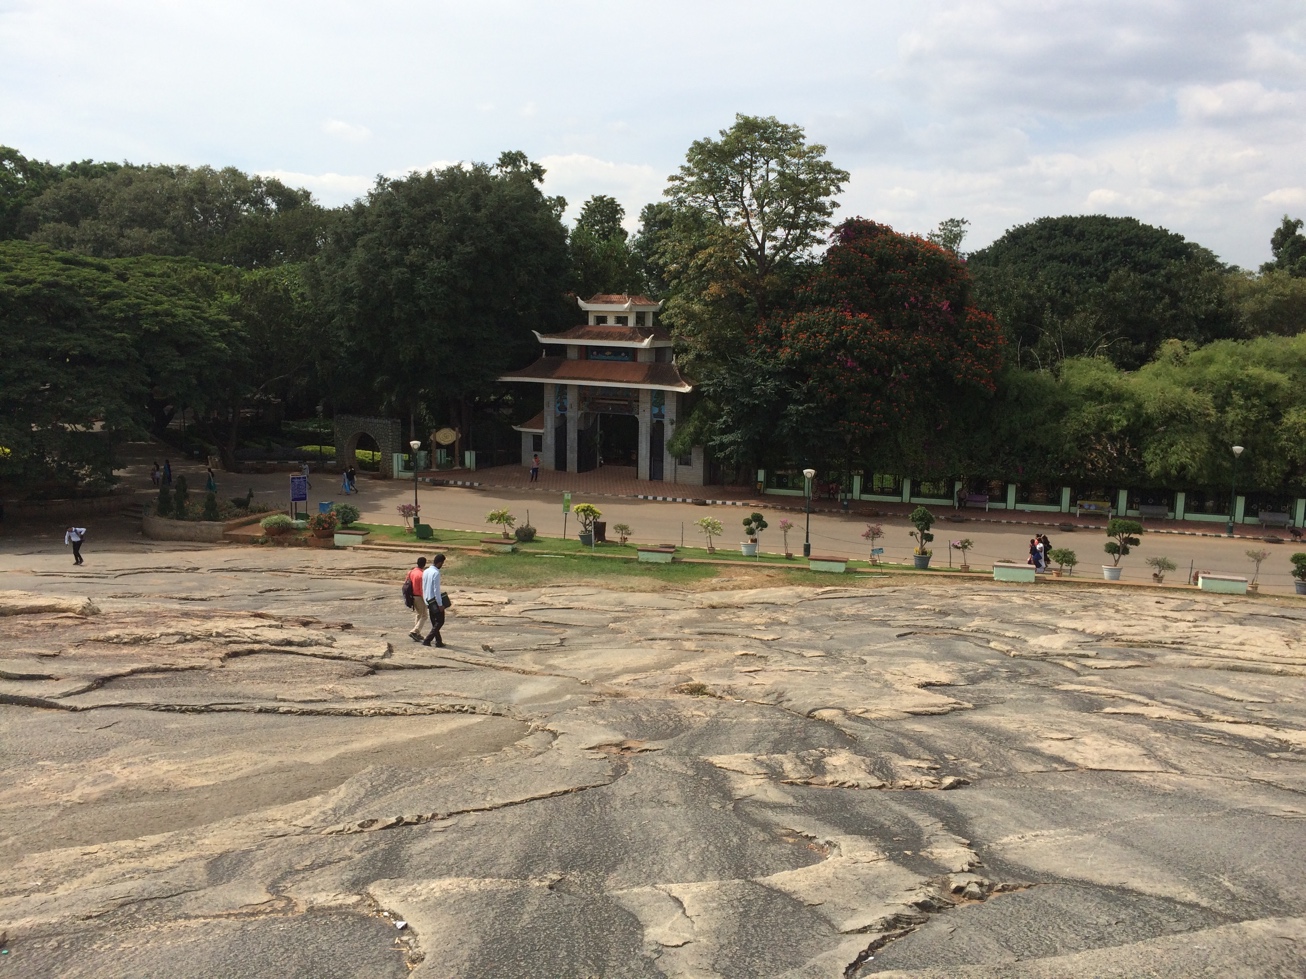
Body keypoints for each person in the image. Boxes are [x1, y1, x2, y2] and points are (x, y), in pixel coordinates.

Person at [421, 553, 447, 647]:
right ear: (440, 563)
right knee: (440, 621)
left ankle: (438, 641)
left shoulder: (426, 571)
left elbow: (423, 587)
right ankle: (428, 639)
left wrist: (425, 600)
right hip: (435, 600)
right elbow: (436, 590)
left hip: (428, 600)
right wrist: (440, 604)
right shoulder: (436, 573)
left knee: (434, 622)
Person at [407, 557, 430, 642]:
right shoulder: (422, 574)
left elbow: (407, 583)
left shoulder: (411, 572)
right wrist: (427, 600)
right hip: (419, 596)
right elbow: (422, 589)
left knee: (419, 614)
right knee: (424, 615)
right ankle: (415, 631)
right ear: (424, 564)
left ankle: (417, 633)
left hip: (412, 596)